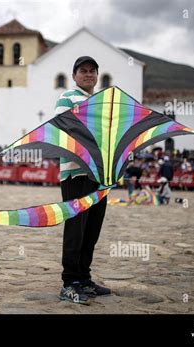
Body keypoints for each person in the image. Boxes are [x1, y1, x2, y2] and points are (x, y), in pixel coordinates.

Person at [55, 56, 111, 305]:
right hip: (76, 173)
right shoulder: (68, 97)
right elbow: (63, 127)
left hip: (99, 175)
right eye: (83, 71)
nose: (88, 74)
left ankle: (84, 278)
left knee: (92, 229)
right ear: (75, 76)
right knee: (76, 227)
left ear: (97, 76)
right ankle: (69, 282)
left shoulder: (100, 101)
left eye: (92, 71)